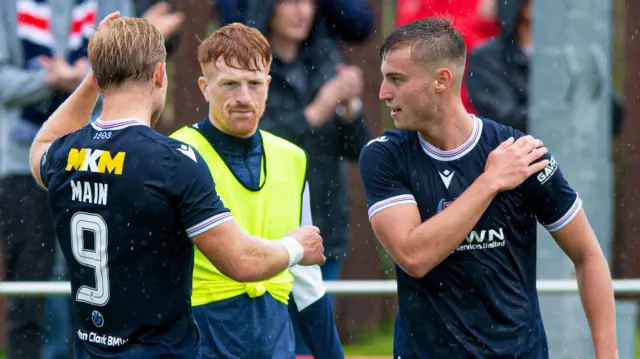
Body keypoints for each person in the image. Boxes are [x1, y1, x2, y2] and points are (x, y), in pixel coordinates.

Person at [28, 13, 325, 358]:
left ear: (99, 77)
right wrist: (295, 247)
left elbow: (41, 145)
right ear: (159, 74)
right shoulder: (172, 161)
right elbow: (241, 262)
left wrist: (94, 78)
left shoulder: (67, 154)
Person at [359, 17, 618, 359]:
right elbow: (414, 256)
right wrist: (490, 182)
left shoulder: (521, 154)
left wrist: (608, 355)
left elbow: (588, 256)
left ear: (442, 80)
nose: (383, 92)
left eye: (396, 79)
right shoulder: (384, 155)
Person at [170, 23, 344, 359]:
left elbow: (307, 282)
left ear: (268, 84)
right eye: (230, 85)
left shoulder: (293, 158)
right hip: (199, 340)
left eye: (253, 84)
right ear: (205, 88)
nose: (244, 98)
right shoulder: (178, 152)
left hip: (274, 340)